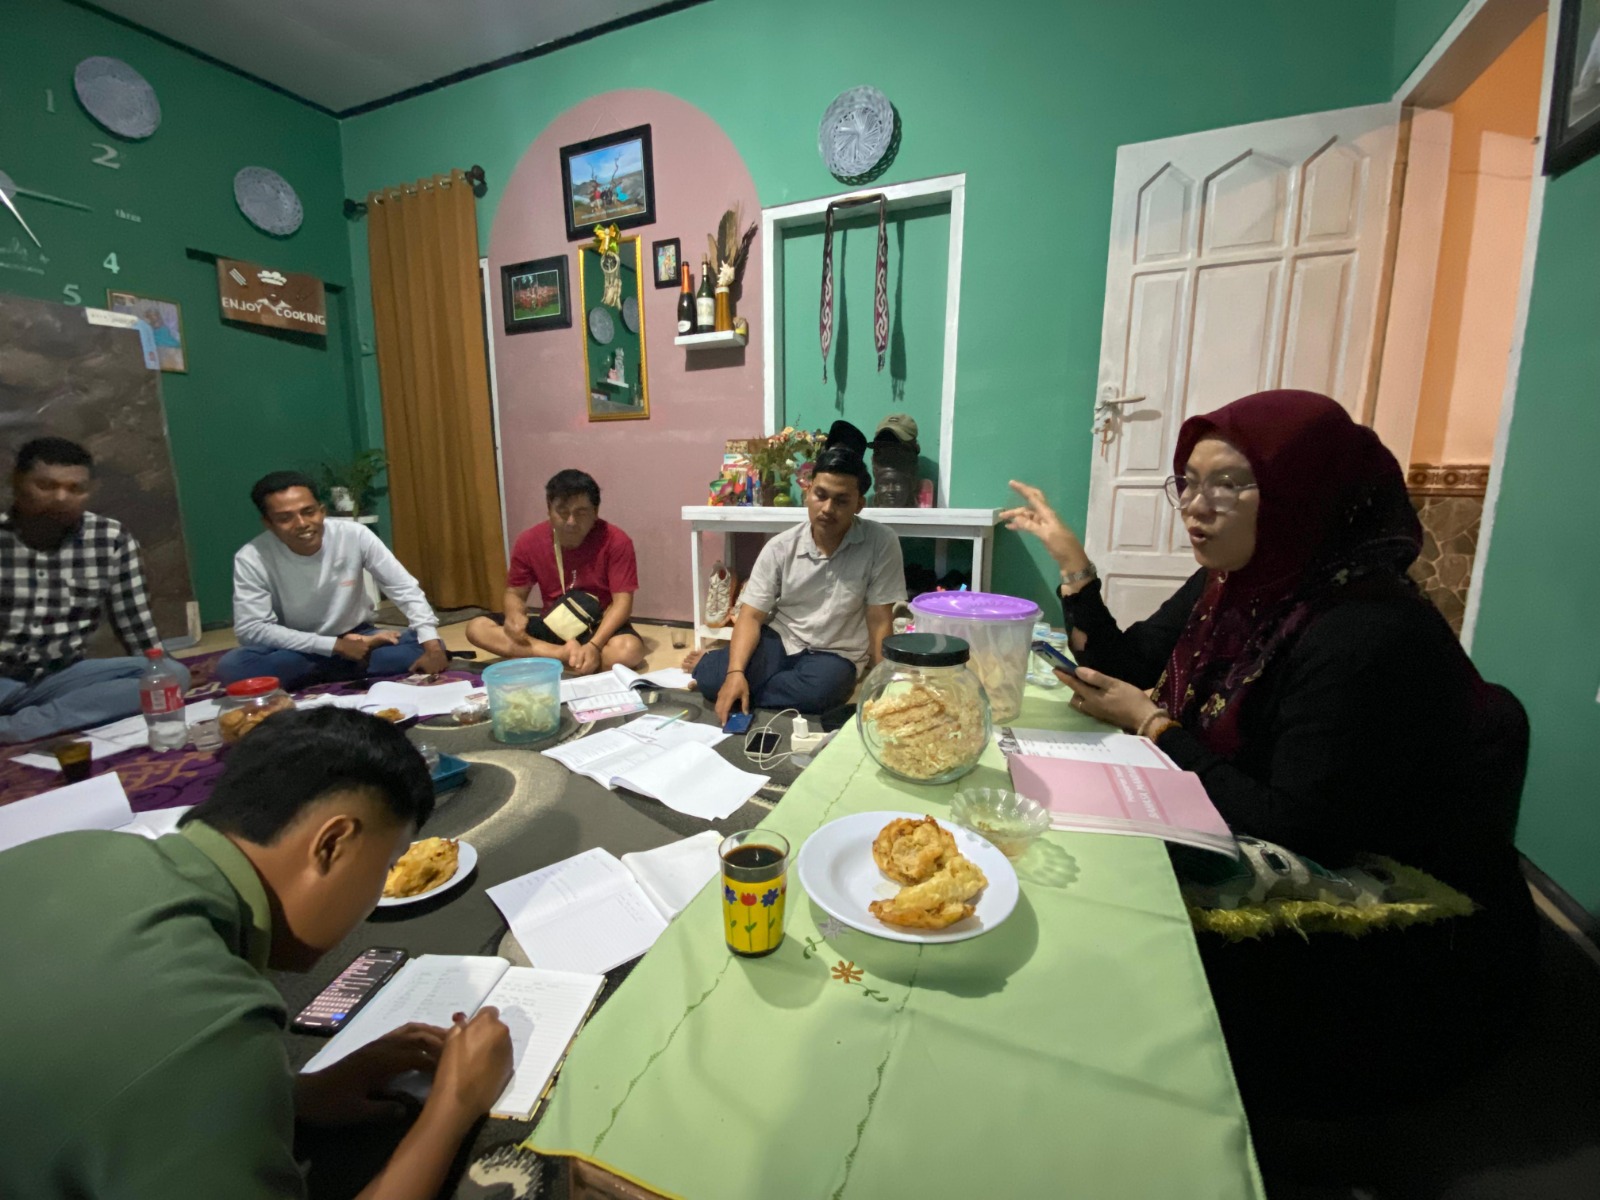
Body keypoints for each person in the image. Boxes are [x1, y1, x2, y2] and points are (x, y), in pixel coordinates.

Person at [1003, 389, 1533, 1101]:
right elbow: (1128, 667)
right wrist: (1074, 565)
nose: (1197, 508)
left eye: (1230, 485)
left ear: (1303, 493)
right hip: (1279, 820)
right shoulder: (1233, 582)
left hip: (1393, 937)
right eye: (1190, 483)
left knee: (1096, 918)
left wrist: (1156, 727)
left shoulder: (1362, 631)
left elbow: (1297, 825)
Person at [0, 706, 514, 1199]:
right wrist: (454, 1105)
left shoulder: (73, 849)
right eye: (386, 866)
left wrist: (294, 1096)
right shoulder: (214, 1024)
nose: (378, 893)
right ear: (332, 844)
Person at [686, 434, 906, 722]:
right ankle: (721, 669)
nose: (827, 508)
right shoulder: (780, 547)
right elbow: (751, 616)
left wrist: (883, 685)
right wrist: (735, 672)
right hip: (782, 638)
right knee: (715, 678)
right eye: (821, 495)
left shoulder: (880, 542)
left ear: (859, 504)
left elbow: (879, 620)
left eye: (841, 500)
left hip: (835, 654)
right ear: (808, 492)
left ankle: (741, 681)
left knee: (824, 691)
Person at [0, 437, 189, 744]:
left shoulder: (109, 538)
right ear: (17, 481)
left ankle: (20, 726)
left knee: (174, 675)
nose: (61, 498)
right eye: (46, 486)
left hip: (58, 677)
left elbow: (137, 626)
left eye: (75, 489)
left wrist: (161, 674)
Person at [218, 471, 450, 688]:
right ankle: (354, 662)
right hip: (295, 647)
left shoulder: (354, 534)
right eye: (285, 518)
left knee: (428, 643)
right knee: (234, 667)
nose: (302, 524)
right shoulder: (252, 557)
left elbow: (404, 588)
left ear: (322, 511)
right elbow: (251, 629)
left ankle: (324, 669)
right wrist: (334, 646)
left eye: (308, 512)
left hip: (358, 634)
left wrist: (431, 647)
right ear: (268, 523)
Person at [465, 469, 645, 675]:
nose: (571, 521)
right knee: (477, 628)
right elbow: (514, 593)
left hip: (597, 626)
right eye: (562, 511)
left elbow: (622, 603)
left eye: (581, 512)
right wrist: (514, 614)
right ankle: (563, 656)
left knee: (627, 651)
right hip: (553, 624)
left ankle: (549, 657)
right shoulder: (529, 541)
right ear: (549, 509)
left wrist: (594, 646)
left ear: (595, 512)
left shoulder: (616, 540)